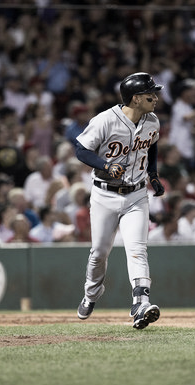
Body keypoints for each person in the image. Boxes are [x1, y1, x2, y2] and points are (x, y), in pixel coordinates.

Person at [74, 72, 165, 329]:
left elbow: (152, 145)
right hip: (105, 194)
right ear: (136, 99)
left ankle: (140, 303)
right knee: (99, 253)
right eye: (150, 94)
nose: (155, 97)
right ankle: (91, 294)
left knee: (137, 249)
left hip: (137, 194)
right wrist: (104, 164)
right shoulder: (105, 120)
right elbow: (81, 149)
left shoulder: (152, 121)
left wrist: (154, 176)